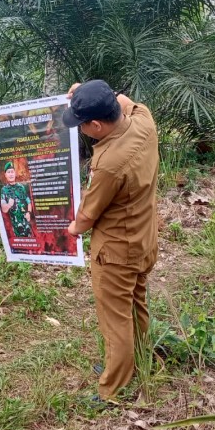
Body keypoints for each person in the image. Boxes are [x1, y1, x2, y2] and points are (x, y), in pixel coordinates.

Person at [65, 79, 158, 404]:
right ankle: (139, 358)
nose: (81, 131)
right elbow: (121, 98)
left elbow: (87, 219)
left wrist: (71, 229)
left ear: (95, 125)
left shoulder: (108, 164)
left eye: (81, 126)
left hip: (117, 251)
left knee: (115, 318)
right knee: (136, 304)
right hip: (144, 238)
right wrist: (84, 92)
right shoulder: (144, 120)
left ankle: (113, 387)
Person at [0, 161, 34, 237]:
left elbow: (28, 201)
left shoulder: (21, 187)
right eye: (8, 172)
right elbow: (4, 209)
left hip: (27, 224)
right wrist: (8, 205)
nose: (11, 174)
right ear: (5, 175)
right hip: (17, 227)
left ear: (15, 173)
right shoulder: (4, 190)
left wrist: (29, 212)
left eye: (12, 172)